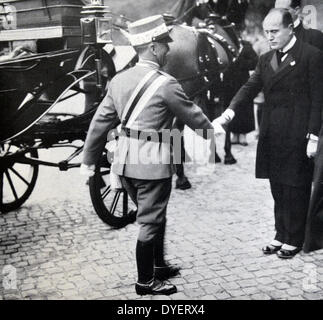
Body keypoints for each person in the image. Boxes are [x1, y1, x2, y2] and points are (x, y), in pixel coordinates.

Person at [80, 15, 224, 295]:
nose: (169, 50)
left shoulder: (119, 81)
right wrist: (211, 129)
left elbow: (99, 123)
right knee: (150, 221)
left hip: (125, 163)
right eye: (164, 45)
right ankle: (146, 281)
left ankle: (158, 266)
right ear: (153, 48)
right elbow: (193, 115)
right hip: (153, 164)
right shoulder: (166, 84)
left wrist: (88, 161)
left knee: (155, 214)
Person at [216, 8, 323, 259]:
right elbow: (250, 87)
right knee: (277, 185)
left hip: (298, 132)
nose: (270, 37)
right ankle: (280, 233)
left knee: (295, 185)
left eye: (274, 32)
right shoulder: (266, 59)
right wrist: (229, 112)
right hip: (272, 132)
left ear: (290, 28)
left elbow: (319, 99)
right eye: (267, 32)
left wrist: (314, 136)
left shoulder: (311, 56)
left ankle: (295, 238)